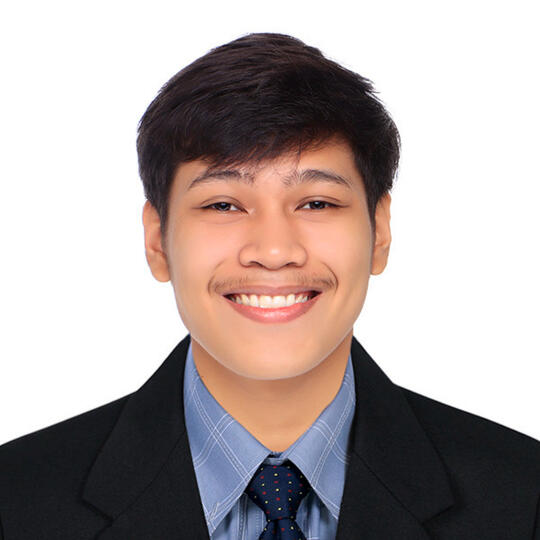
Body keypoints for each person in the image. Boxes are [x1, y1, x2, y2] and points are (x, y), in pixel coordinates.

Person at [0, 32, 538, 540]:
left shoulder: (523, 497)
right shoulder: (17, 501)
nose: (275, 250)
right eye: (223, 205)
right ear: (158, 240)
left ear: (379, 232)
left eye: (317, 203)